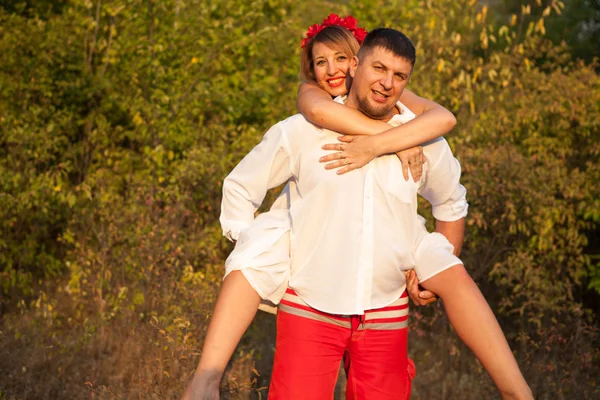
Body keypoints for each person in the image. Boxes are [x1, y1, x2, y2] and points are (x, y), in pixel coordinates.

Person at [189, 27, 534, 399]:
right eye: (379, 69)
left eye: (399, 76)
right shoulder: (304, 130)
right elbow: (241, 186)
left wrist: (431, 266)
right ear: (355, 66)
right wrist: (257, 250)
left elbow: (450, 202)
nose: (387, 83)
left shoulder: (420, 138)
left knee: (452, 271)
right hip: (310, 306)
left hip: (385, 310)